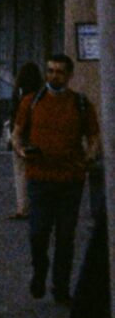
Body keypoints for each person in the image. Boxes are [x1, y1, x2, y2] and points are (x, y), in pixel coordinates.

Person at [15, 56, 101, 300]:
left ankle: (60, 286)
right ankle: (40, 270)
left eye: (60, 72)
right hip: (40, 178)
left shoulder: (81, 104)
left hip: (70, 180)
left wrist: (88, 158)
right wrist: (20, 150)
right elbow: (18, 133)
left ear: (69, 76)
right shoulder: (31, 102)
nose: (54, 76)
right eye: (50, 71)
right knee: (38, 231)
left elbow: (93, 136)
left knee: (66, 235)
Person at [10, 61, 46, 221]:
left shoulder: (20, 95)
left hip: (23, 137)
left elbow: (15, 118)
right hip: (39, 137)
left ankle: (23, 208)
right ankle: (39, 206)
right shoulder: (43, 95)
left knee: (21, 173)